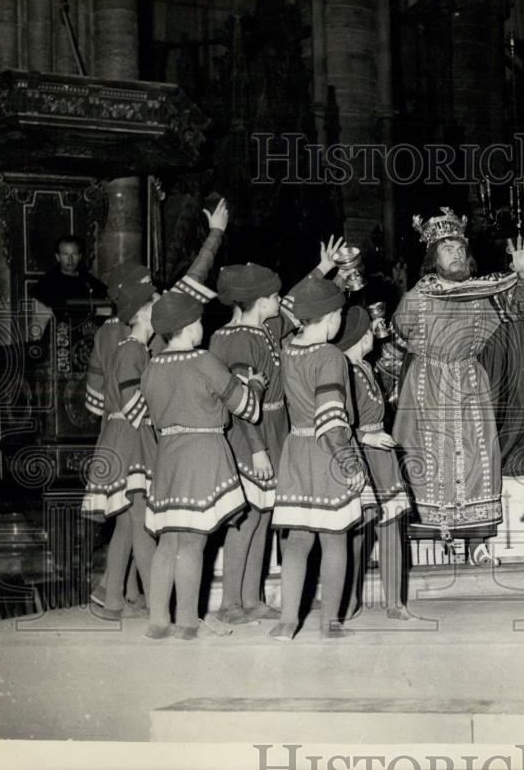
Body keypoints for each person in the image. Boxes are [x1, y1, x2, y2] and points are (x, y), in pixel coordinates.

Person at [83, 200, 230, 609]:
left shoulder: (103, 336)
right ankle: (154, 605)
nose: (163, 296)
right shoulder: (147, 335)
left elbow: (95, 405)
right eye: (154, 293)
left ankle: (115, 594)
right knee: (143, 525)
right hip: (140, 439)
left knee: (129, 524)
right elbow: (193, 281)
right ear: (142, 304)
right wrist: (215, 233)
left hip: (113, 437)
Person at [381, 209, 524, 565]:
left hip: (470, 386)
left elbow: (521, 311)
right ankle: (425, 543)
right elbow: (395, 343)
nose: (454, 253)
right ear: (433, 257)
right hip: (425, 388)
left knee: (477, 461)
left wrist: (523, 274)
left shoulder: (482, 293)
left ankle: (478, 542)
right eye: (445, 248)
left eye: (458, 248)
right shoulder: (417, 297)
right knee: (421, 461)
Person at [140, 291, 264, 640]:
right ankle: (188, 623)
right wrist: (253, 384)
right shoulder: (204, 360)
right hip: (202, 453)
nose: (201, 329)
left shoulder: (152, 366)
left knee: (168, 542)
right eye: (198, 323)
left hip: (169, 455)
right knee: (194, 543)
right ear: (190, 327)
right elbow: (248, 409)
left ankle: (158, 621)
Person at [270, 276, 363, 641]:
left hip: (296, 449)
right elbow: (330, 417)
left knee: (297, 540)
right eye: (339, 314)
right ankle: (330, 624)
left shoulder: (287, 349)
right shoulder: (330, 356)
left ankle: (287, 622)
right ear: (329, 318)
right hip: (327, 451)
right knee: (335, 537)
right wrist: (350, 463)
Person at [209, 264, 284, 625]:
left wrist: (326, 268)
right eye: (274, 296)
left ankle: (252, 599)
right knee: (246, 517)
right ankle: (229, 604)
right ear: (258, 301)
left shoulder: (263, 328)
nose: (280, 300)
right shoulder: (238, 338)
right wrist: (257, 448)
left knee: (263, 514)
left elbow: (300, 305)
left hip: (271, 428)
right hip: (249, 434)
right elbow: (239, 404)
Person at [81, 276, 160, 618]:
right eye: (156, 304)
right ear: (142, 313)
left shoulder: (134, 347)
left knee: (128, 525)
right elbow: (134, 406)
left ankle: (112, 601)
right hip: (130, 440)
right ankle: (160, 611)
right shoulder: (132, 349)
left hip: (123, 438)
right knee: (142, 526)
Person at [336, 306, 414, 621]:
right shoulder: (343, 370)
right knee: (359, 530)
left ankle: (394, 603)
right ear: (358, 336)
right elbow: (334, 422)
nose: (373, 335)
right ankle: (349, 600)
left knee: (391, 527)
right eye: (369, 330)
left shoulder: (366, 367)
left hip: (382, 457)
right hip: (362, 454)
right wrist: (366, 439)